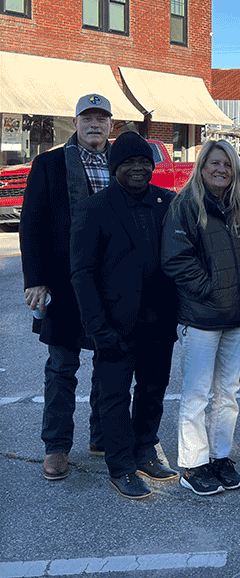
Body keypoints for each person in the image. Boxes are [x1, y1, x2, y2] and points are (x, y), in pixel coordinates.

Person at [70, 132, 179, 499]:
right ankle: (120, 465)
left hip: (159, 322)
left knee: (153, 390)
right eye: (130, 162)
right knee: (114, 397)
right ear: (116, 166)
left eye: (144, 161)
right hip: (114, 325)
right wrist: (97, 328)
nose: (138, 167)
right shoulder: (94, 208)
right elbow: (81, 273)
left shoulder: (167, 202)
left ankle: (145, 449)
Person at [20, 93, 113, 481]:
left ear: (111, 125)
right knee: (62, 366)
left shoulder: (121, 163)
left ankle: (101, 436)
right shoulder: (50, 163)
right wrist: (35, 279)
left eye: (101, 119)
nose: (94, 124)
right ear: (75, 123)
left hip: (111, 285)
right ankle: (56, 447)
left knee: (109, 365)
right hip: (63, 282)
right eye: (87, 118)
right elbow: (32, 223)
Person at [162, 140, 240, 496]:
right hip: (201, 318)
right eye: (214, 163)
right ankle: (193, 463)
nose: (221, 169)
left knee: (228, 393)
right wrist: (210, 289)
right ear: (202, 167)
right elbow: (175, 259)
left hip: (236, 317)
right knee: (196, 395)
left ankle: (220, 456)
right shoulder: (186, 205)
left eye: (227, 165)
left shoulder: (238, 208)